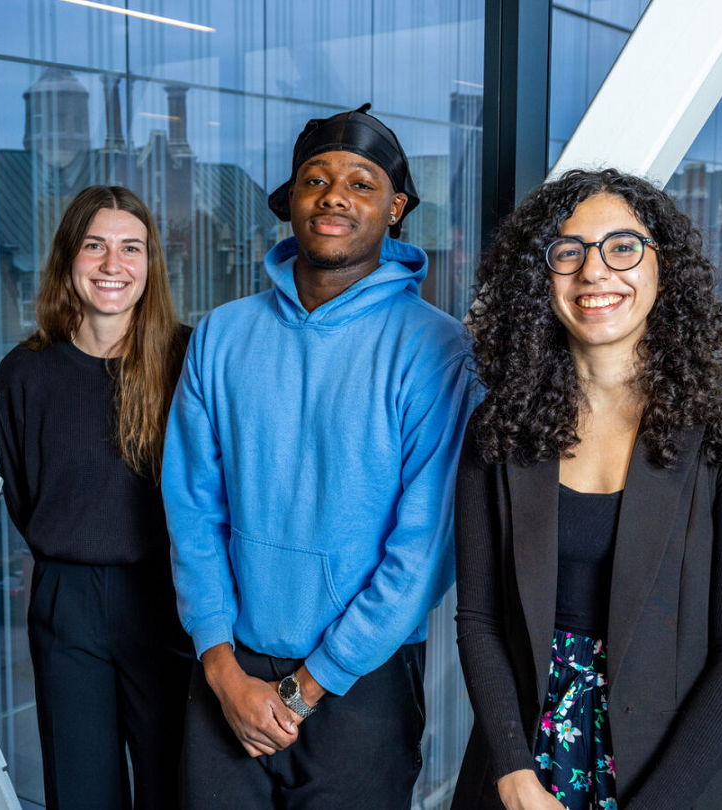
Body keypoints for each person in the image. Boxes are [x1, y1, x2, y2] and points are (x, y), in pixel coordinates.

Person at [161, 105, 481, 809]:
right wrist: (219, 664)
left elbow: (424, 547)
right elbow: (192, 508)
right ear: (293, 201)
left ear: (396, 207)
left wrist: (309, 685)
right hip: (228, 668)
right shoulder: (221, 335)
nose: (334, 195)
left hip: (362, 681)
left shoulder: (435, 349)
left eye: (361, 184)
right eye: (316, 179)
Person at [452, 168, 722, 810]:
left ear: (663, 266)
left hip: (680, 776)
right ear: (541, 278)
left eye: (622, 246)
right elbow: (478, 619)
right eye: (568, 252)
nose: (595, 271)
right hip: (525, 771)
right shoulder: (500, 424)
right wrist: (511, 772)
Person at [0, 185, 194, 810]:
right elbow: (25, 493)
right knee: (80, 792)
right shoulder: (25, 372)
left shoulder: (188, 359)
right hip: (66, 600)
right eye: (95, 246)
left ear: (151, 264)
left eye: (130, 248)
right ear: (68, 258)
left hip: (171, 597)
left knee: (175, 785)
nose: (113, 265)